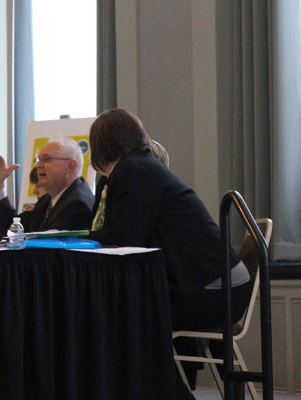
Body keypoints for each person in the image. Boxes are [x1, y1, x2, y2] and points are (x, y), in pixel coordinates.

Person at [86, 108, 252, 399]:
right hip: (219, 282)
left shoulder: (133, 172)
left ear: (101, 144)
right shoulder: (141, 166)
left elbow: (126, 242)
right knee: (126, 313)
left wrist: (78, 241)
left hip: (215, 289)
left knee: (127, 317)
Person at [0, 137, 95, 235]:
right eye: (38, 160)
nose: (38, 165)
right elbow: (13, 229)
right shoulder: (47, 200)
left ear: (71, 165)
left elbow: (49, 249)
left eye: (47, 159)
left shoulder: (77, 204)